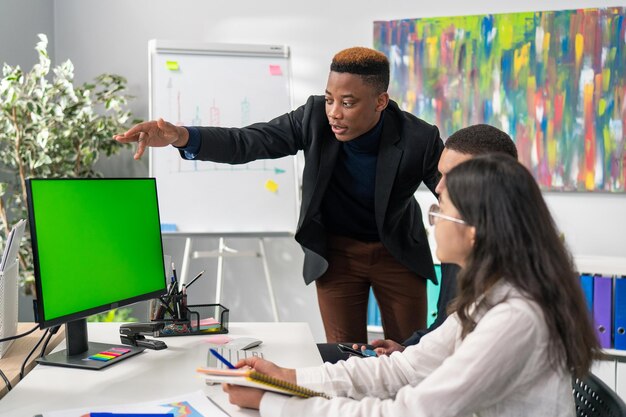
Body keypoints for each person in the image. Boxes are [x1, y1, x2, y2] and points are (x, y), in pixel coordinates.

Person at [221, 154, 600, 416]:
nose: (433, 220)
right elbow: (402, 370)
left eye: (442, 209)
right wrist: (288, 378)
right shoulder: (490, 298)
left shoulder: (516, 318)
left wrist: (273, 404)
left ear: (474, 231)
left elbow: (412, 412)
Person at [114, 47, 444, 344]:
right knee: (346, 355)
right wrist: (182, 136)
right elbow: (247, 141)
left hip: (397, 252)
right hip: (337, 254)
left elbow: (457, 198)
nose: (334, 113)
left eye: (348, 102)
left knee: (411, 355)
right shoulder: (313, 118)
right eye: (330, 99)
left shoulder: (419, 138)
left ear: (380, 102)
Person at [317, 123, 518, 362]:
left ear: (492, 182)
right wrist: (405, 347)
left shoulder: (511, 283)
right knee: (323, 357)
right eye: (440, 174)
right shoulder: (463, 243)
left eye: (452, 177)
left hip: (439, 379)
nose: (438, 187)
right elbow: (445, 325)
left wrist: (407, 361)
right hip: (426, 367)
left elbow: (455, 373)